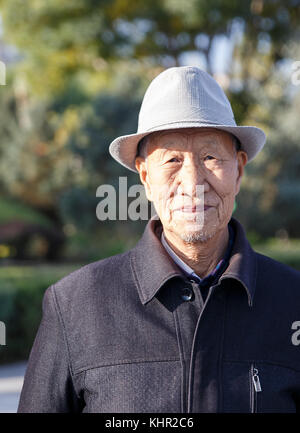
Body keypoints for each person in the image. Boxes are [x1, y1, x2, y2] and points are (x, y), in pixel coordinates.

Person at [18, 66, 300, 413]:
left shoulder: (292, 302)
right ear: (146, 176)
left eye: (211, 157)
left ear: (239, 170)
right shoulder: (75, 305)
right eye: (172, 160)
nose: (193, 180)